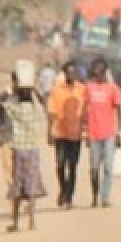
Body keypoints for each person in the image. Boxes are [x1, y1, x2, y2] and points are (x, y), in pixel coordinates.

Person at [5, 76, 48, 231]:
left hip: (18, 149)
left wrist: (13, 89)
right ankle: (31, 221)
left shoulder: (14, 107)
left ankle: (16, 223)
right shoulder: (34, 109)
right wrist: (33, 86)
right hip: (32, 150)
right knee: (31, 186)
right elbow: (44, 102)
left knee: (17, 186)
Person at [80, 58, 121, 208]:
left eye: (100, 70)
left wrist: (119, 132)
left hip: (109, 133)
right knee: (94, 168)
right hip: (93, 134)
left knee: (108, 167)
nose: (97, 73)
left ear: (105, 71)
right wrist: (84, 131)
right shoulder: (89, 88)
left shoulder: (113, 88)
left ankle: (105, 197)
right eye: (95, 70)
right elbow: (84, 111)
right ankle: (94, 195)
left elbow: (119, 110)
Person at [48, 61, 85, 208]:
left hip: (75, 133)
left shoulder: (82, 89)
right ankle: (63, 189)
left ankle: (69, 197)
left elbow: (86, 111)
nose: (71, 74)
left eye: (73, 72)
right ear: (64, 73)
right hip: (60, 132)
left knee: (73, 166)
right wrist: (49, 131)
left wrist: (87, 130)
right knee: (60, 164)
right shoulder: (56, 90)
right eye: (68, 72)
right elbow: (51, 112)